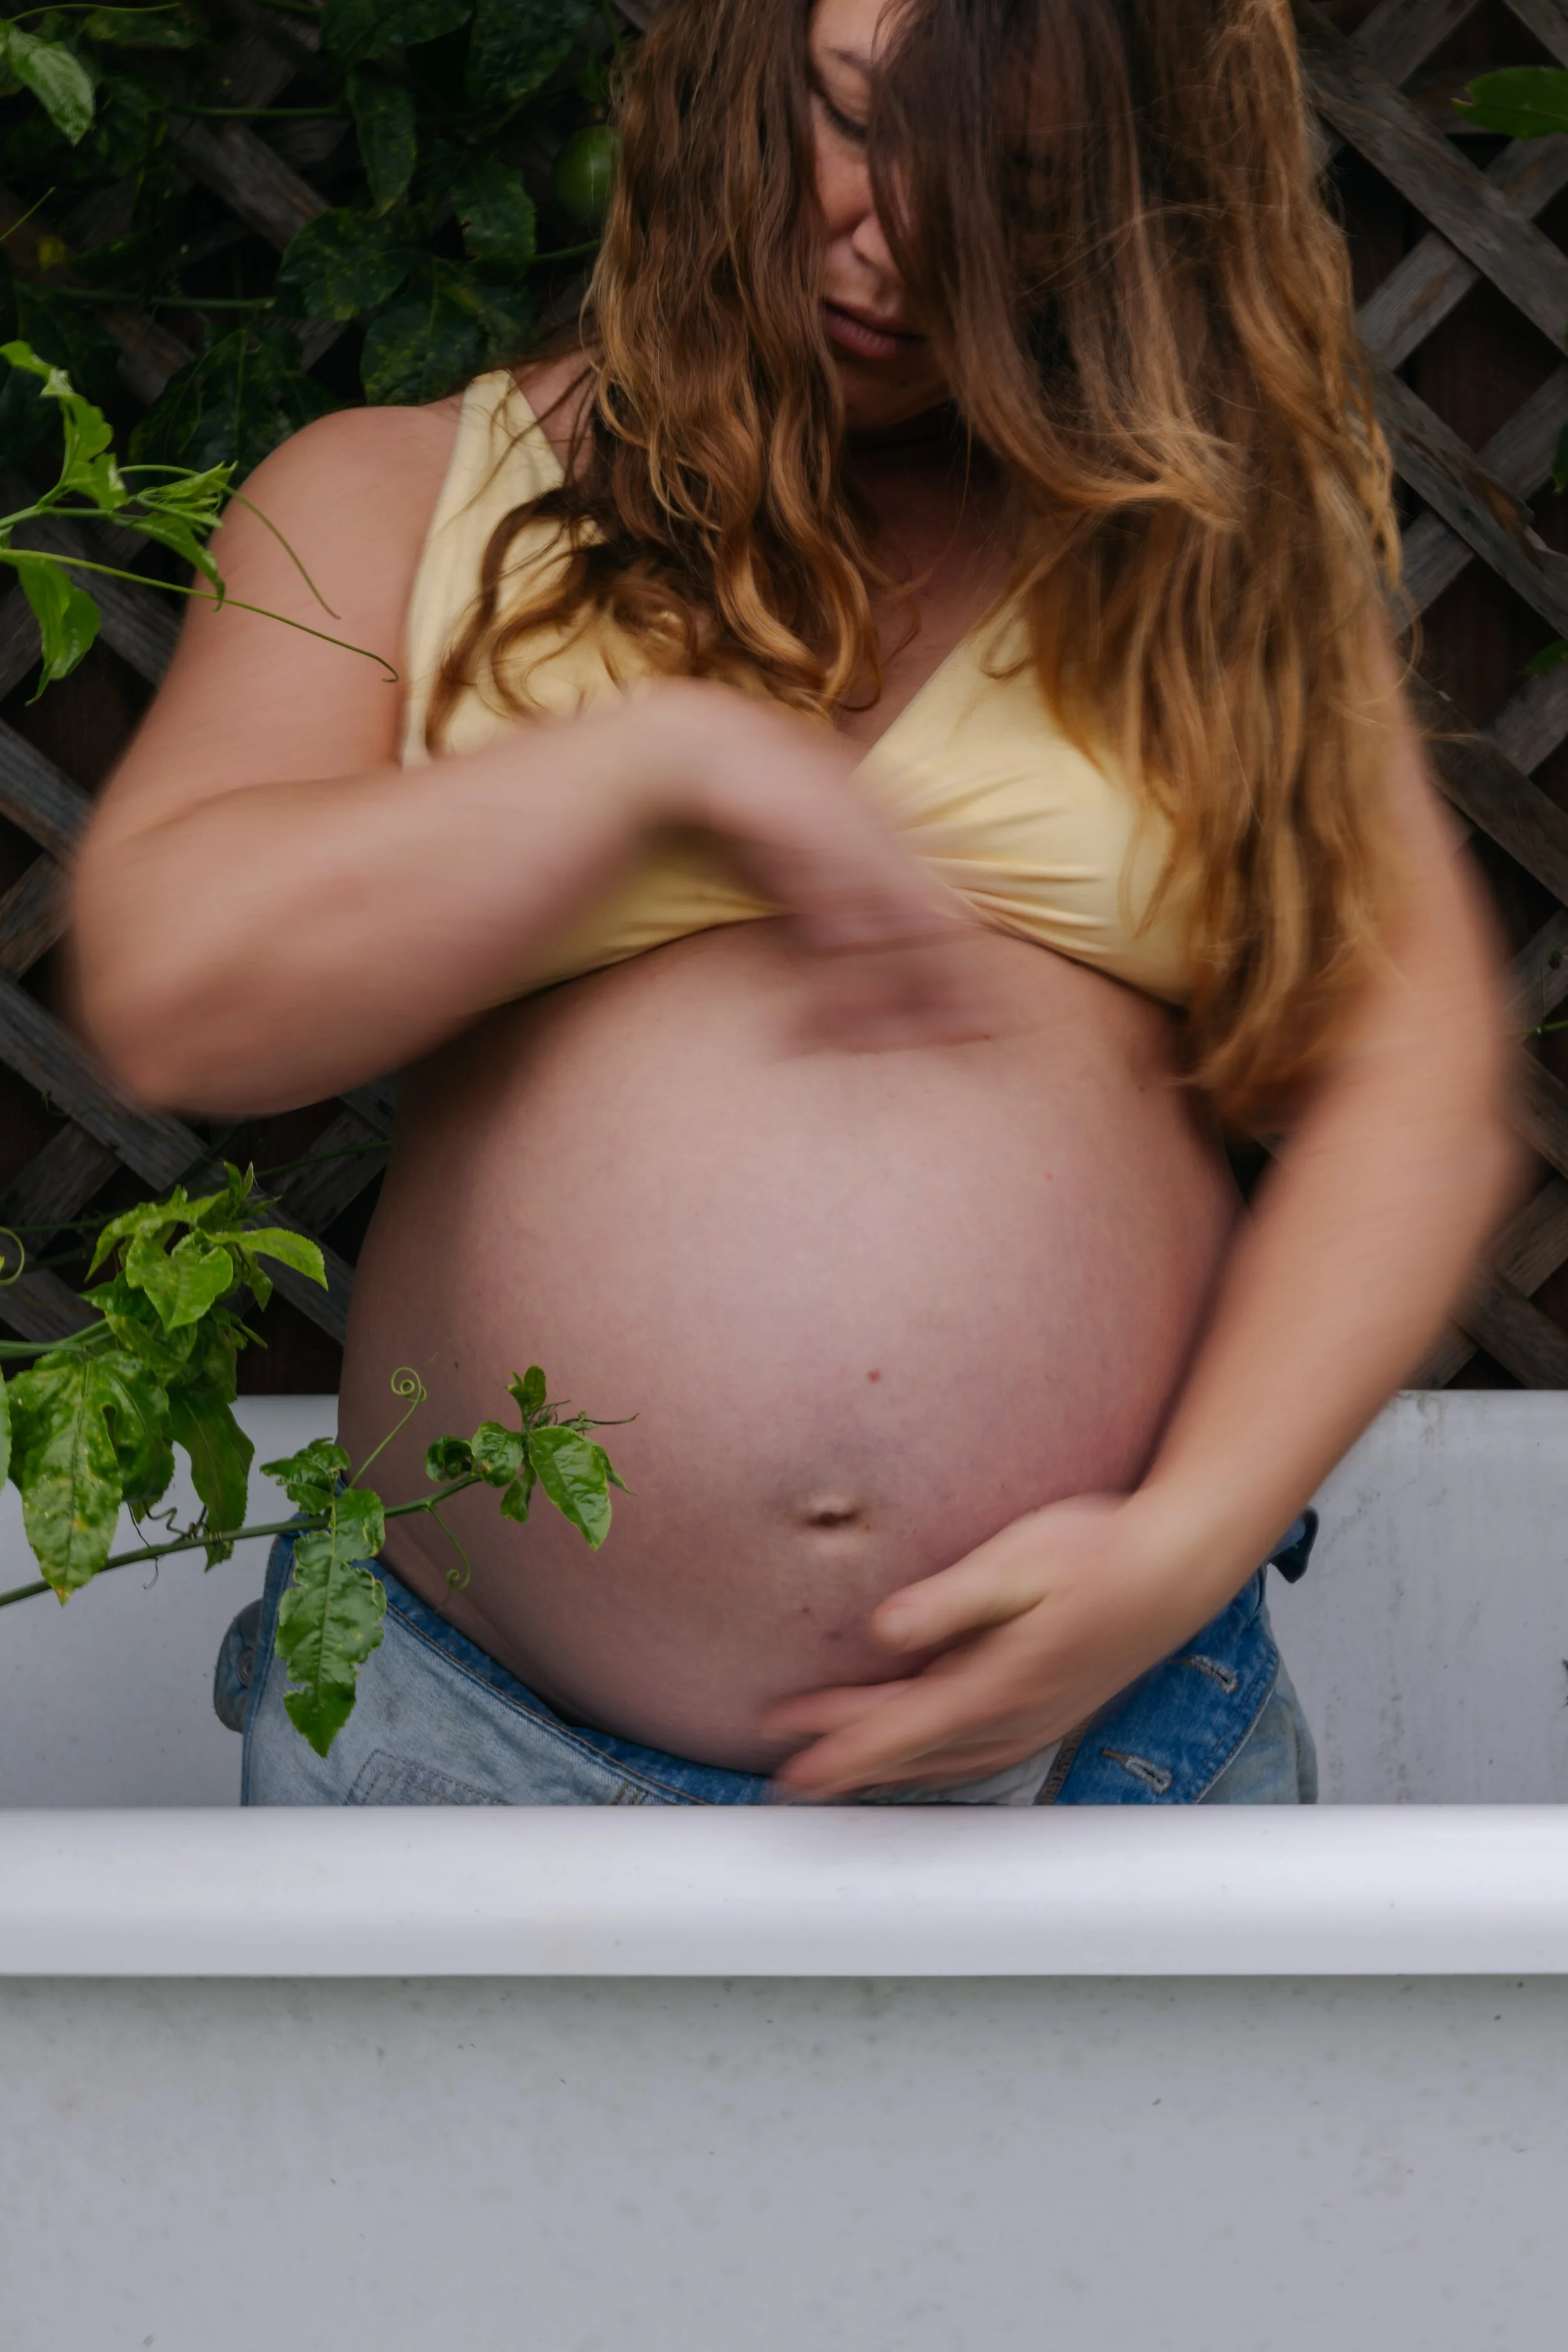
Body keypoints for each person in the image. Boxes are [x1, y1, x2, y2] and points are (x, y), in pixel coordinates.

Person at [73, 0, 1515, 1809]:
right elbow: (173, 995)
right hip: (466, 1752)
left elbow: (1419, 1100)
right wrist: (644, 769)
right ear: (718, 70)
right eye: (846, 120)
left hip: (1102, 1747)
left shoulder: (1192, 569)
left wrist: (1172, 1549)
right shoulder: (389, 496)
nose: (896, 237)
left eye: (1022, 178)